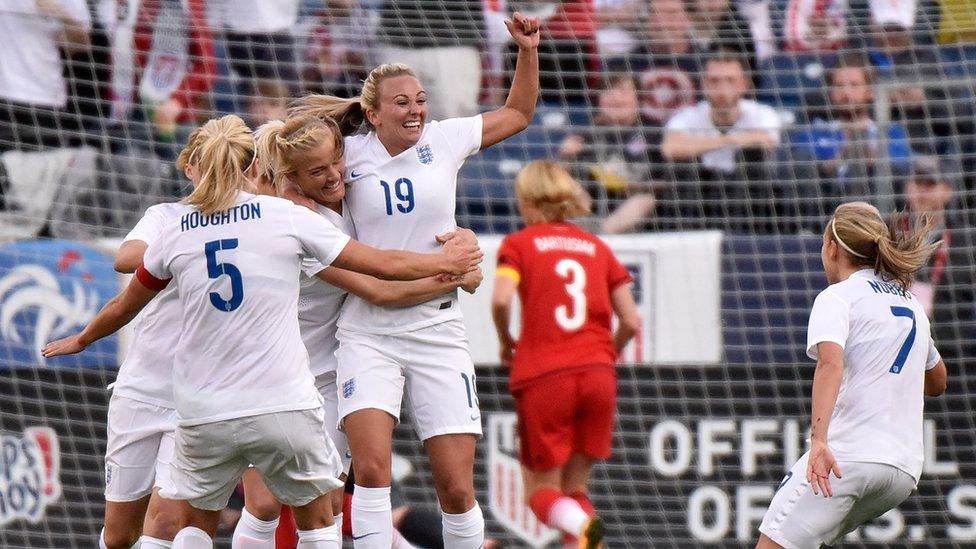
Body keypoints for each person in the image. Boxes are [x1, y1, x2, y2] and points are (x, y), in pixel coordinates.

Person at [42, 114, 482, 549]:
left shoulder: (182, 230)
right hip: (273, 393)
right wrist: (452, 268)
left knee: (194, 518)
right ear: (257, 170)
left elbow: (125, 298)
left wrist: (84, 338)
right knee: (308, 512)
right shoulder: (279, 220)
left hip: (208, 399)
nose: (330, 177)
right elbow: (382, 276)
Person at [286, 11, 540, 548]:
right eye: (402, 102)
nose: (416, 109)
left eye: (421, 99)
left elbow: (518, 113)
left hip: (437, 329)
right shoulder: (346, 156)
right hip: (367, 331)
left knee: (455, 488)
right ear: (372, 114)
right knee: (371, 472)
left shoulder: (445, 140)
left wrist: (527, 50)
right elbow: (290, 165)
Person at [231, 115, 483, 549]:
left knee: (326, 500)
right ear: (292, 177)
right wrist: (455, 272)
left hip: (333, 367)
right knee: (267, 502)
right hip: (286, 374)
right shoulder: (298, 221)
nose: (334, 175)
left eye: (336, 161)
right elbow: (379, 287)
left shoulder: (344, 200)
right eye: (318, 170)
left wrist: (462, 239)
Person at [756, 201, 948, 549]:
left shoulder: (838, 297)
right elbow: (938, 381)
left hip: (849, 458)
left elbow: (830, 363)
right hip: (902, 471)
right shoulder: (911, 304)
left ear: (832, 247)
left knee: (773, 543)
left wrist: (819, 441)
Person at [490, 161, 641, 549]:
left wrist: (506, 340)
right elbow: (632, 321)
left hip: (545, 375)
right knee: (574, 490)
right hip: (598, 375)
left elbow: (502, 299)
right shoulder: (597, 248)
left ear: (526, 200)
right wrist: (605, 355)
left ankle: (591, 530)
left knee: (540, 496)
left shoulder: (519, 244)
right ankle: (586, 530)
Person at [100, 202, 186, 549]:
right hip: (143, 389)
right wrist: (186, 246)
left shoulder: (255, 219)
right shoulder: (167, 216)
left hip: (200, 397)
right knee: (120, 535)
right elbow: (125, 257)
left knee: (166, 522)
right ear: (189, 167)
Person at [0, 0, 90, 151]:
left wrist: (59, 13)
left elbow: (79, 46)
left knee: (43, 169)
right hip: (4, 94)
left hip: (45, 98)